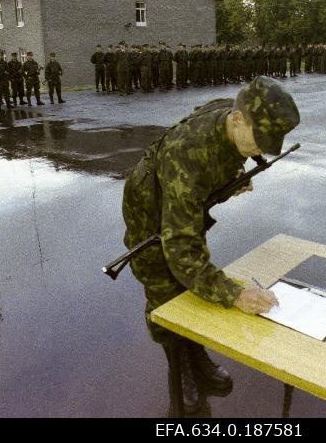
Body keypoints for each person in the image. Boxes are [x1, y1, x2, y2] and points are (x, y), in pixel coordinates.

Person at [123, 76, 300, 414]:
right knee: (164, 288)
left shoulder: (230, 111)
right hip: (149, 211)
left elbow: (216, 154)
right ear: (237, 119)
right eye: (259, 139)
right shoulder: (185, 155)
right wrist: (234, 294)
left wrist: (228, 182)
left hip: (184, 206)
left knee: (191, 283)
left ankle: (195, 352)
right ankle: (181, 369)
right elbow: (181, 252)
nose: (261, 150)